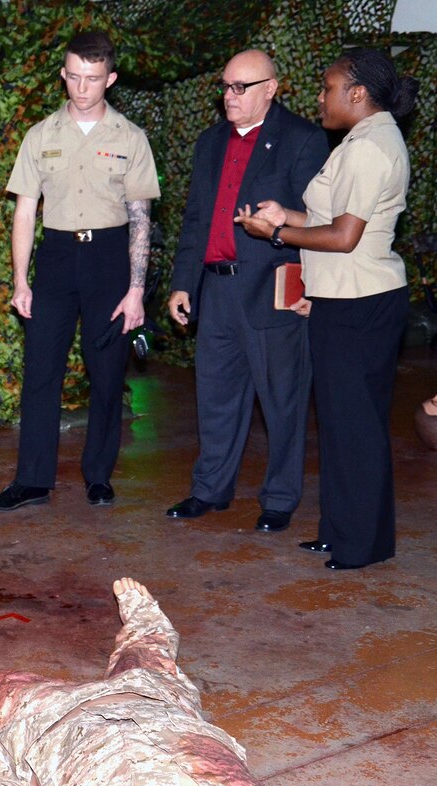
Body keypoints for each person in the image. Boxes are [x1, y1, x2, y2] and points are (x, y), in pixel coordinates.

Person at [0, 577, 285, 786]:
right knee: (147, 659)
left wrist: (12, 785)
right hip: (161, 709)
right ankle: (146, 621)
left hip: (52, 726)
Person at [235, 49, 419, 570]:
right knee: (341, 424)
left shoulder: (370, 148)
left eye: (327, 87)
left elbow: (343, 236)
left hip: (360, 301)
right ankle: (341, 531)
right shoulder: (361, 142)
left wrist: (274, 231)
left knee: (355, 426)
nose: (320, 97)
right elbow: (331, 217)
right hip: (346, 298)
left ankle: (362, 544)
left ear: (357, 93)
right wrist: (287, 214)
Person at [0, 30, 160, 511]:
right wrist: (21, 281)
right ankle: (32, 480)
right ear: (63, 75)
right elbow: (25, 212)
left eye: (93, 79)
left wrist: (137, 290)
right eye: (74, 77)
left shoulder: (131, 138)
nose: (82, 88)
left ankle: (98, 475)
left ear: (111, 79)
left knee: (106, 374)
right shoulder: (41, 136)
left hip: (109, 261)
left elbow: (142, 219)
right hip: (57, 259)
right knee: (41, 372)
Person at [166, 50, 329, 534]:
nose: (229, 97)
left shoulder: (303, 139)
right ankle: (210, 489)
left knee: (283, 401)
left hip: (274, 292)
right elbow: (195, 220)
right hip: (216, 291)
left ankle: (279, 499)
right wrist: (181, 283)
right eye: (225, 86)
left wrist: (313, 286)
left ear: (271, 88)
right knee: (215, 397)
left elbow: (320, 221)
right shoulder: (209, 142)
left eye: (241, 87)